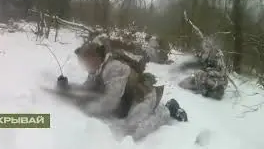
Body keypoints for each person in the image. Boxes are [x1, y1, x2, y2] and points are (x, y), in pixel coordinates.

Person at [56, 40, 188, 141]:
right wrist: (67, 88)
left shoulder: (114, 68)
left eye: (86, 60)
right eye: (82, 61)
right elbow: (87, 88)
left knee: (130, 133)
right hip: (127, 101)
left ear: (96, 58)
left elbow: (109, 103)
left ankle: (168, 110)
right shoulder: (96, 69)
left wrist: (83, 107)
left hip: (142, 99)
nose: (84, 64)